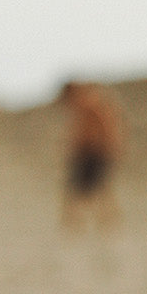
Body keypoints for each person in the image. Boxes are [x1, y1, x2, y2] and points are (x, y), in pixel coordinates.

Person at [60, 80, 124, 229]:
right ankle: (76, 226)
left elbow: (107, 129)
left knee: (98, 190)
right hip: (86, 154)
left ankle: (108, 225)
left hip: (95, 153)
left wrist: (111, 149)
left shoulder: (92, 105)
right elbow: (78, 134)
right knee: (80, 191)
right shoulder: (81, 108)